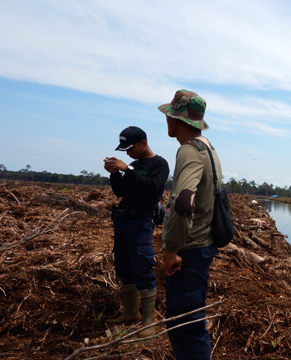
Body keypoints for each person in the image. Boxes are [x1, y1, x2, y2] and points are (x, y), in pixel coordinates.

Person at [159, 90, 222, 359]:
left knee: (185, 327)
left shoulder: (188, 151)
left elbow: (184, 202)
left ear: (177, 120)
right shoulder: (207, 148)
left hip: (188, 254)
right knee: (190, 325)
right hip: (202, 248)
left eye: (169, 116)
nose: (166, 121)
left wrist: (170, 251)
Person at [103, 126, 169, 337]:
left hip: (141, 222)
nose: (128, 154)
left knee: (142, 266)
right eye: (125, 151)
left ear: (143, 143)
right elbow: (121, 191)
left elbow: (151, 188)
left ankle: (149, 320)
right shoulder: (132, 164)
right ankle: (131, 312)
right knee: (123, 267)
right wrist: (115, 174)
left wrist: (127, 170)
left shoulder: (159, 164)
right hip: (122, 220)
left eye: (130, 149)